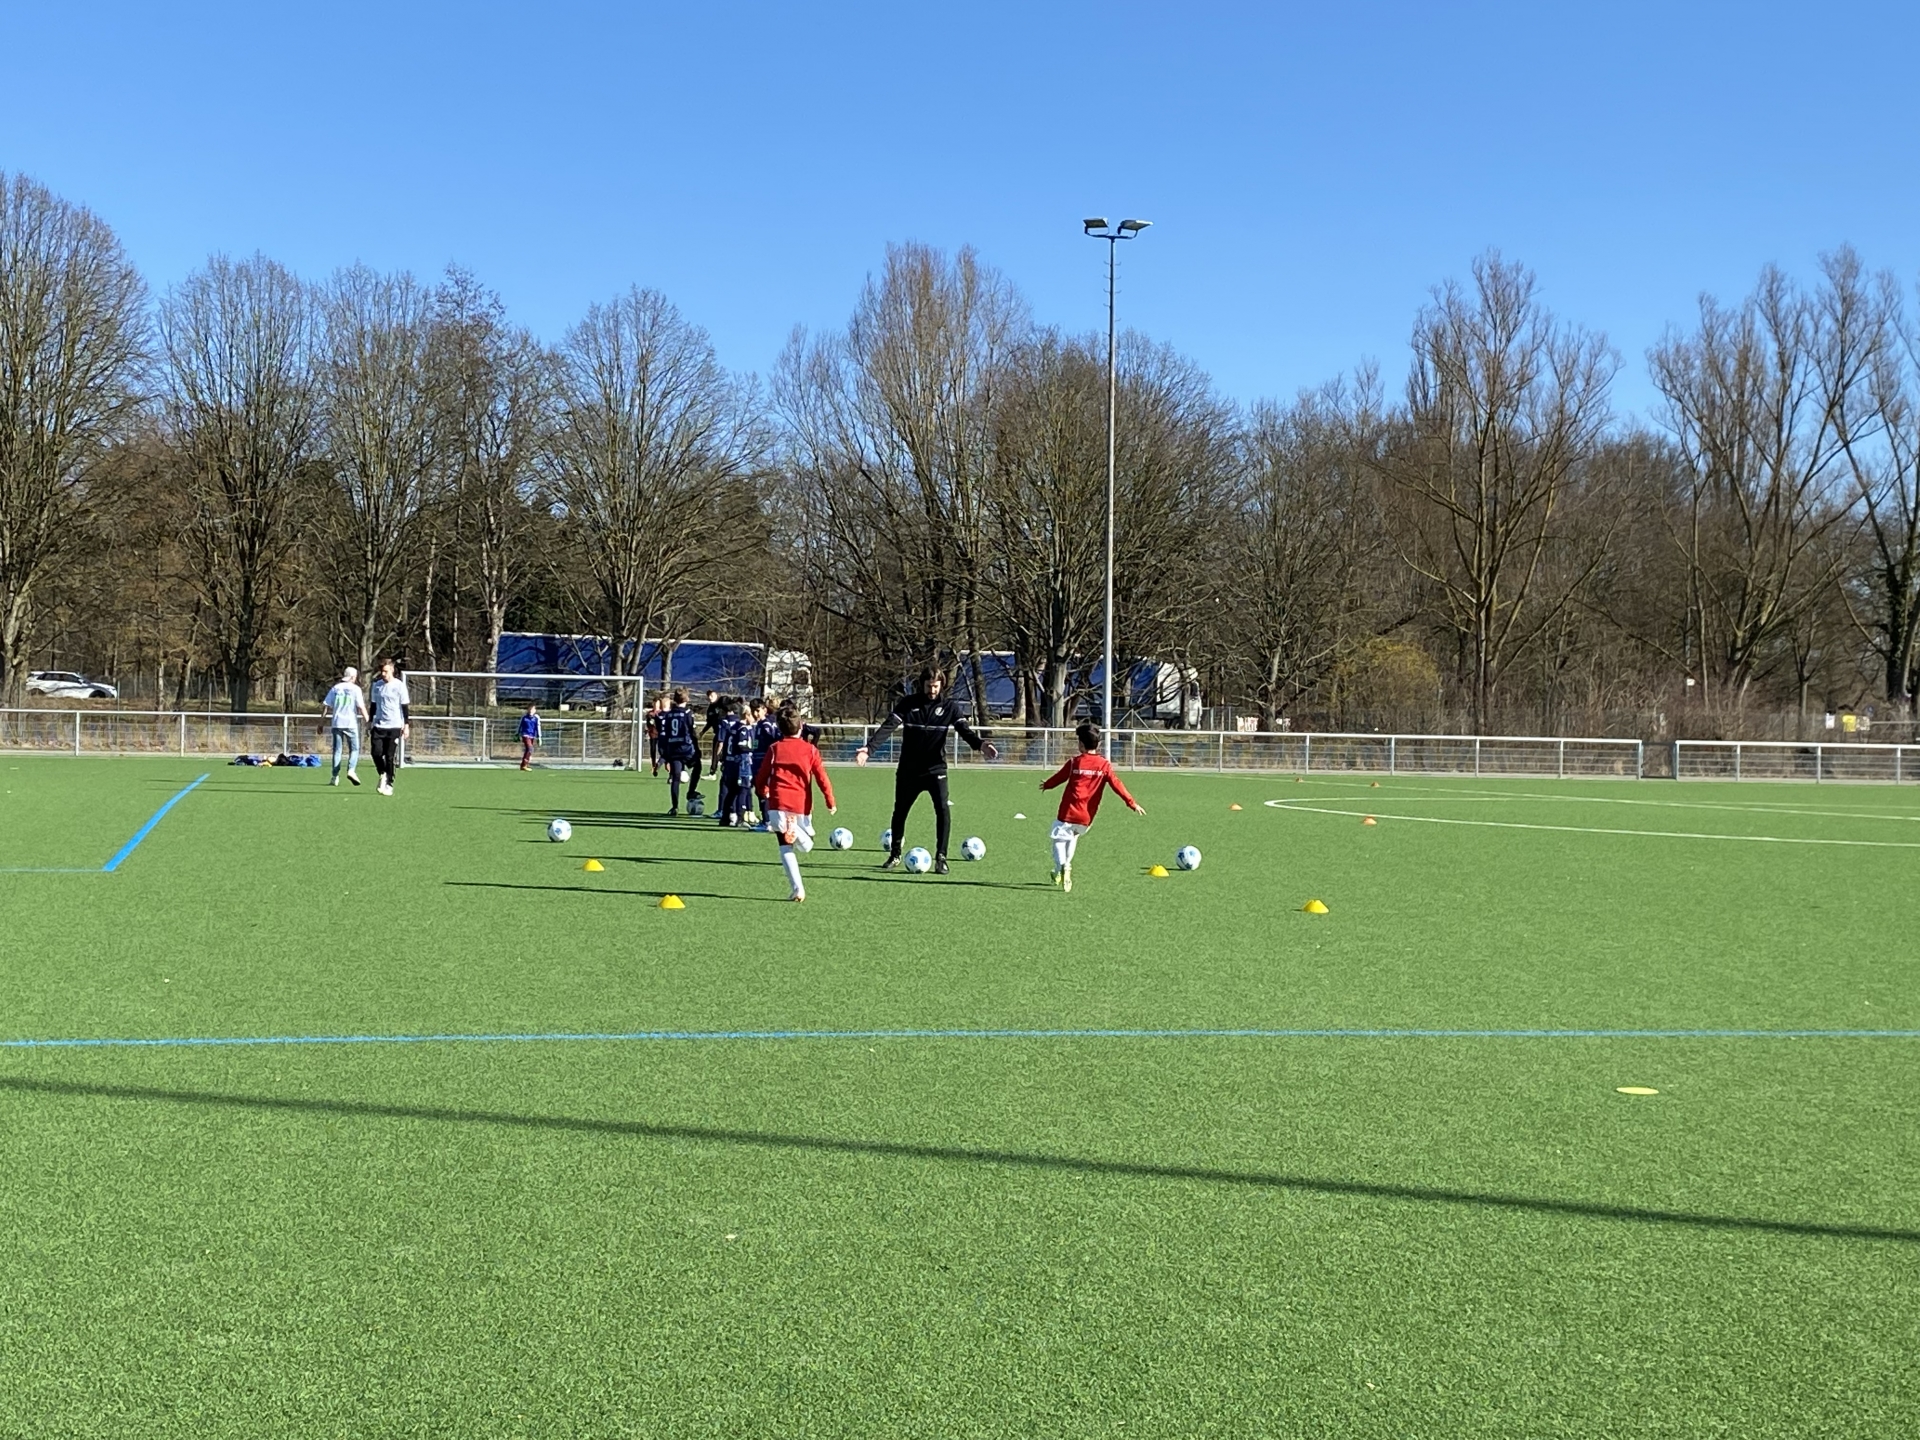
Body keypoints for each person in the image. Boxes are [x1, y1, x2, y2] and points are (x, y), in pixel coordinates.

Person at [856, 668, 997, 874]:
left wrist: (981, 745)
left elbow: (965, 731)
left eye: (936, 686)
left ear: (941, 685)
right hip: (908, 770)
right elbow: (888, 727)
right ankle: (895, 854)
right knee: (900, 811)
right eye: (929, 686)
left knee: (942, 810)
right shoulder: (908, 704)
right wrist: (869, 749)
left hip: (935, 769)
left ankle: (941, 857)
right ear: (922, 684)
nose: (932, 690)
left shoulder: (949, 707)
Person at [1039, 721, 1145, 893]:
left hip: (1068, 812)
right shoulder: (1104, 765)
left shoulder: (1074, 763)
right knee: (1073, 837)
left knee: (1058, 840)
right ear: (1099, 744)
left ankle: (1062, 866)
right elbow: (1117, 785)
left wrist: (1047, 785)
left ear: (1081, 744)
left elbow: (1059, 777)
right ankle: (1064, 868)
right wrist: (1131, 803)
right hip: (1086, 817)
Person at [753, 706, 836, 901]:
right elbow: (822, 777)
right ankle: (794, 832)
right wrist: (830, 800)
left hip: (778, 802)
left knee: (786, 847)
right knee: (803, 845)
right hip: (801, 804)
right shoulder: (810, 750)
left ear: (779, 728)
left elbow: (762, 775)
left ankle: (798, 888)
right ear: (801, 726)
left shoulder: (774, 749)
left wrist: (762, 791)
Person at [367, 658, 411, 796]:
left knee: (390, 756)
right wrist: (370, 721)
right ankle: (383, 774)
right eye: (382, 671)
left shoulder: (399, 686)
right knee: (376, 753)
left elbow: (404, 706)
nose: (383, 674)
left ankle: (389, 783)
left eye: (385, 671)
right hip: (379, 725)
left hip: (394, 726)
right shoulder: (377, 685)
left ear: (392, 670)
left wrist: (406, 725)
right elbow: (373, 705)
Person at [321, 666, 368, 787]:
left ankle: (335, 777)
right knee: (355, 749)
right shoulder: (356, 689)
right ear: (353, 677)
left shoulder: (336, 688)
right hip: (350, 724)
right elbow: (361, 707)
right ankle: (351, 770)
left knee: (337, 750)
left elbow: (326, 706)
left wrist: (321, 723)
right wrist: (368, 720)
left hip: (337, 723)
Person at [658, 688, 703, 815]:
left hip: (673, 749)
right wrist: (697, 748)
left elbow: (665, 734)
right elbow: (692, 732)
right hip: (686, 749)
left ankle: (675, 807)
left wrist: (664, 753)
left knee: (675, 778)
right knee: (697, 767)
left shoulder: (668, 714)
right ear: (686, 699)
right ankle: (691, 792)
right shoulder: (688, 713)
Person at [712, 699, 753, 826]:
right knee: (743, 789)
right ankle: (740, 817)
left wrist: (722, 758)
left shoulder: (732, 728)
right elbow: (742, 746)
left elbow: (725, 744)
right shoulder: (743, 729)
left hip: (731, 763)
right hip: (741, 763)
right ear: (747, 715)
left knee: (731, 791)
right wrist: (753, 749)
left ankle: (725, 817)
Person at [518, 703, 541, 770]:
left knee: (529, 750)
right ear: (527, 710)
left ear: (535, 710)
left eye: (532, 709)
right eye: (530, 709)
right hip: (525, 735)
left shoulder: (536, 718)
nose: (531, 711)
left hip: (532, 736)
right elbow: (519, 725)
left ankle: (524, 765)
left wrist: (539, 737)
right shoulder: (524, 717)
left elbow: (538, 727)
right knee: (530, 748)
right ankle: (524, 765)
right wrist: (517, 734)